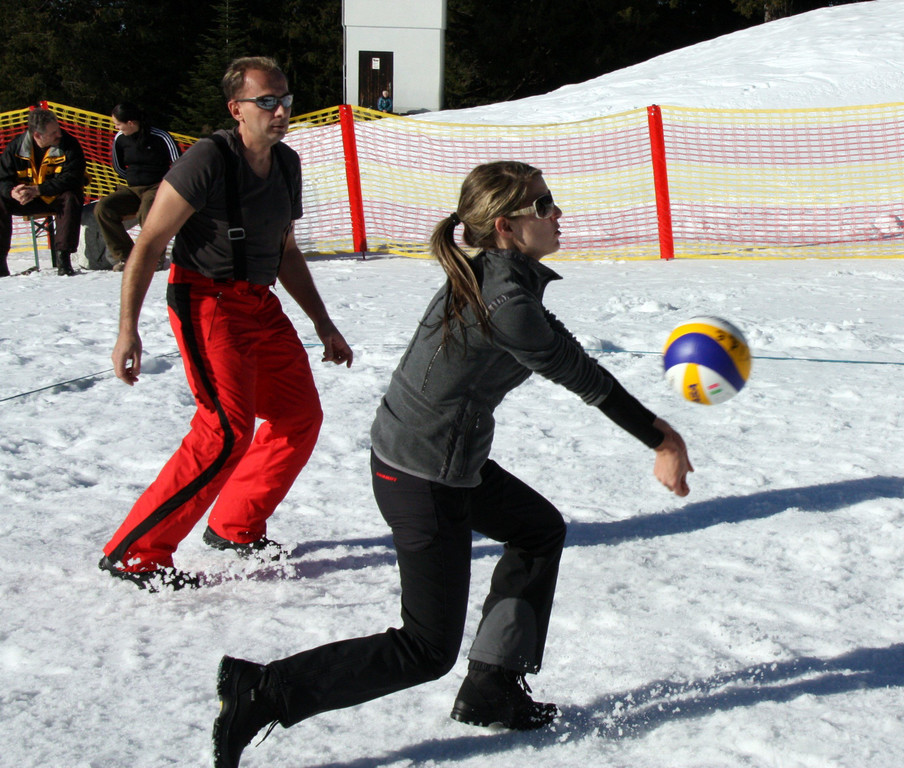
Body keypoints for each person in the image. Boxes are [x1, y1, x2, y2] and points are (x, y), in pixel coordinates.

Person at [211, 161, 693, 768]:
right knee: (424, 648)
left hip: (439, 456)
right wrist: (662, 439)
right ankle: (264, 691)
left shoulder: (494, 273)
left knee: (537, 530)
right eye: (543, 204)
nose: (557, 213)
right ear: (505, 227)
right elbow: (581, 376)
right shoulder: (505, 298)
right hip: (423, 474)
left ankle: (493, 686)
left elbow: (554, 342)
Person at [99, 56, 353, 592]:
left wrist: (323, 323)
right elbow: (149, 243)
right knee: (225, 429)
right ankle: (136, 554)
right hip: (206, 301)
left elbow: (285, 252)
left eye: (285, 100)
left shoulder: (286, 163)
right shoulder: (208, 158)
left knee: (298, 415)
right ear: (237, 109)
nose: (280, 111)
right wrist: (128, 329)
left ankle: (235, 526)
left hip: (258, 302)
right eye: (267, 101)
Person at [94, 102, 180, 271]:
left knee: (147, 209)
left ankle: (153, 257)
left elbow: (178, 163)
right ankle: (125, 256)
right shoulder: (120, 138)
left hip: (158, 186)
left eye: (118, 124)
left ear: (131, 123)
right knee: (103, 208)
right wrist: (133, 179)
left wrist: (166, 185)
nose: (116, 128)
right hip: (132, 188)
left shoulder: (160, 136)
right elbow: (118, 166)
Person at [0, 108, 86, 276]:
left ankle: (63, 258)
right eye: (53, 133)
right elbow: (2, 178)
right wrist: (12, 192)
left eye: (58, 129)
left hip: (55, 196)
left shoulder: (69, 144)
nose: (59, 134)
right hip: (27, 199)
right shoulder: (15, 147)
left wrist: (38, 190)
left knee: (71, 197)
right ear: (37, 135)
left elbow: (73, 178)